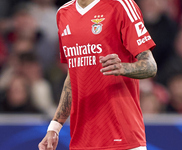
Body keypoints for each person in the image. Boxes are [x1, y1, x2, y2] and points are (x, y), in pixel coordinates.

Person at [38, 0, 157, 150]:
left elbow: (150, 66)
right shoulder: (63, 13)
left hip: (123, 138)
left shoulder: (121, 5)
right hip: (82, 139)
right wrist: (55, 126)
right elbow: (74, 74)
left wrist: (123, 67)